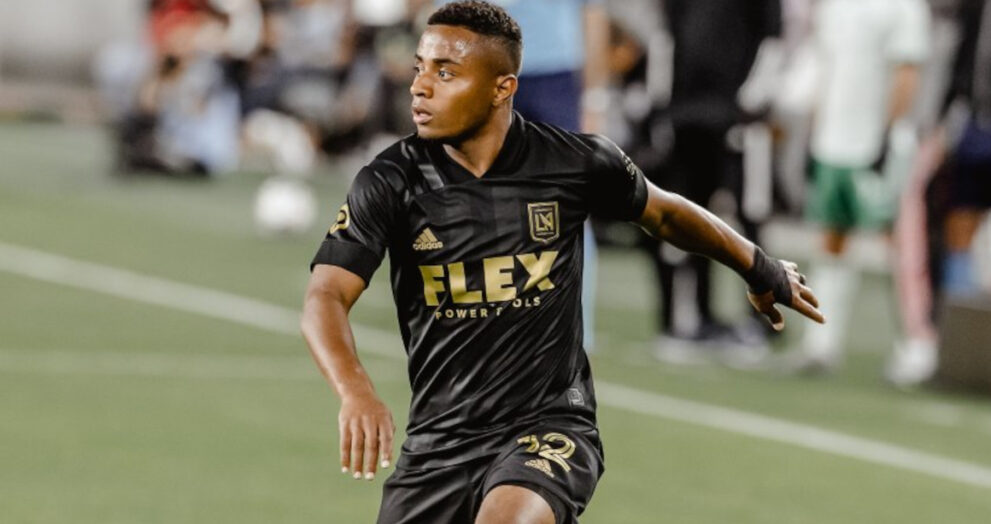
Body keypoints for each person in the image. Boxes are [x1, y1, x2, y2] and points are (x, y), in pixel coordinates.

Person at [300, 2, 823, 523]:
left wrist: (760, 267)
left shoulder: (575, 162)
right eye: (420, 68)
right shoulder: (390, 181)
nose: (419, 87)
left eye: (446, 72)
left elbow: (665, 214)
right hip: (440, 444)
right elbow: (326, 295)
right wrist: (356, 391)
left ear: (502, 88)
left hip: (549, 428)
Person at [787, 0, 930, 375]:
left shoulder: (905, 7)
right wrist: (815, 132)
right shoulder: (835, 6)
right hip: (832, 144)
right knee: (832, 239)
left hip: (875, 145)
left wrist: (887, 135)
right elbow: (825, 69)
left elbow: (907, 74)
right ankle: (821, 342)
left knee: (896, 243)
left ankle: (917, 344)